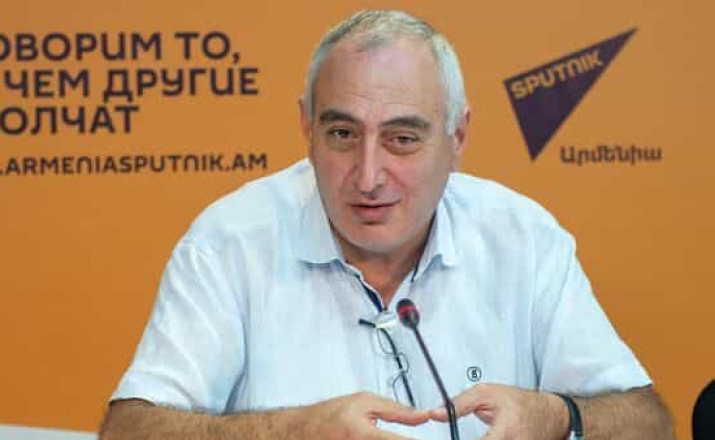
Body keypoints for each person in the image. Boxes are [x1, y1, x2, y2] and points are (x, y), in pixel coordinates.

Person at [100, 10, 675, 440]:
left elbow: (646, 421)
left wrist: (558, 416)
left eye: (402, 138)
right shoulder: (229, 242)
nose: (369, 175)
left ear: (458, 136)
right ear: (306, 128)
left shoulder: (522, 238)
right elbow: (129, 429)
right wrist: (294, 432)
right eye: (342, 134)